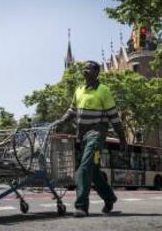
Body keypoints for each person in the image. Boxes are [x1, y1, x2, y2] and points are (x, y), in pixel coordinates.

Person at [53, 60, 127, 217]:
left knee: (83, 168)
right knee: (93, 170)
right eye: (84, 68)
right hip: (82, 137)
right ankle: (109, 198)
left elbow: (114, 117)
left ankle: (82, 206)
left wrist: (122, 138)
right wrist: (61, 122)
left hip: (96, 137)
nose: (85, 71)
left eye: (89, 68)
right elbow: (72, 110)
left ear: (96, 72)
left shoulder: (103, 91)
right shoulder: (79, 90)